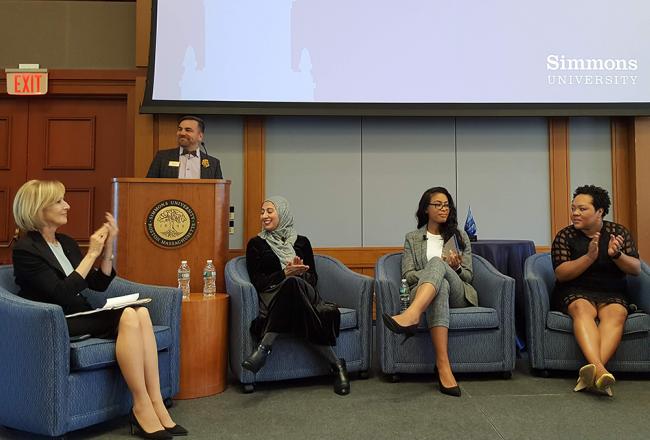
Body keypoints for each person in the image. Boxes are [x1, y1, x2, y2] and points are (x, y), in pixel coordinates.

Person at [11, 180, 186, 439]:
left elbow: (98, 284)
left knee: (141, 312)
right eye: (59, 201)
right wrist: (91, 253)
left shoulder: (66, 242)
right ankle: (141, 405)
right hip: (57, 320)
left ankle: (156, 402)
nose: (67, 205)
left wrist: (107, 249)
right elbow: (61, 294)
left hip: (82, 314)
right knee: (129, 313)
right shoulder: (26, 249)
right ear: (38, 207)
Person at [242, 196, 349, 395]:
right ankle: (337, 365)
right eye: (262, 211)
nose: (264, 216)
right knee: (290, 284)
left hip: (305, 291)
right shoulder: (255, 244)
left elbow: (313, 280)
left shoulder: (302, 242)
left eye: (269, 211)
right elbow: (258, 283)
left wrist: (299, 273)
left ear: (283, 214)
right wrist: (284, 273)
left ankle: (264, 348)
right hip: (273, 296)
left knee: (294, 283)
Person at [382, 186, 478, 397]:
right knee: (439, 285)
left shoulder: (460, 236)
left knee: (439, 268)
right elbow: (407, 273)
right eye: (438, 204)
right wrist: (434, 272)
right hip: (430, 292)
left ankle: (411, 314)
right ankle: (443, 366)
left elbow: (469, 276)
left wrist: (455, 267)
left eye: (447, 205)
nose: (444, 209)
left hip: (459, 293)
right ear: (426, 209)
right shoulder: (412, 238)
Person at [551, 185, 640, 396]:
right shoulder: (565, 235)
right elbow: (561, 274)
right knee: (583, 309)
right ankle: (601, 372)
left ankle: (591, 374)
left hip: (612, 291)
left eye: (582, 209)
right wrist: (589, 257)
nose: (575, 213)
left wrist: (617, 255)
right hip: (574, 289)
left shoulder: (618, 233)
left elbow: (636, 269)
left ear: (599, 211)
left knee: (617, 313)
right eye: (573, 208)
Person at [146, 115, 223, 179]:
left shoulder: (213, 164)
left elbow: (218, 193)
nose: (182, 133)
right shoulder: (162, 157)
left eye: (188, 130)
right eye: (180, 129)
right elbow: (148, 186)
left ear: (200, 136)